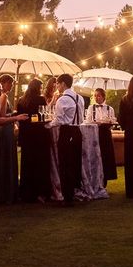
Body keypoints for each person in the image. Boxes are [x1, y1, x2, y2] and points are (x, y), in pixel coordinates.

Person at [0, 80, 27, 205]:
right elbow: (1, 115)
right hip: (5, 130)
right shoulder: (3, 96)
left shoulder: (1, 96)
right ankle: (6, 192)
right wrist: (15, 115)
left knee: (5, 160)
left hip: (5, 129)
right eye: (9, 84)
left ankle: (4, 191)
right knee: (6, 159)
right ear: (4, 83)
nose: (11, 86)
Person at [52, 73, 84, 206]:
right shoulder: (80, 98)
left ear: (63, 84)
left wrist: (47, 125)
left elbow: (58, 120)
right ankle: (74, 192)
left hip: (66, 132)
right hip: (77, 131)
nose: (57, 86)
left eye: (58, 84)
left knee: (65, 164)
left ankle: (67, 196)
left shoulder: (62, 100)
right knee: (75, 163)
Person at [16, 78, 51, 203]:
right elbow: (45, 116)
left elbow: (20, 119)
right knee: (39, 164)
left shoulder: (21, 100)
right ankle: (39, 192)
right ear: (37, 88)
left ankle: (26, 192)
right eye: (41, 88)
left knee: (27, 164)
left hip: (26, 136)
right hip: (38, 136)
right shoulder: (40, 99)